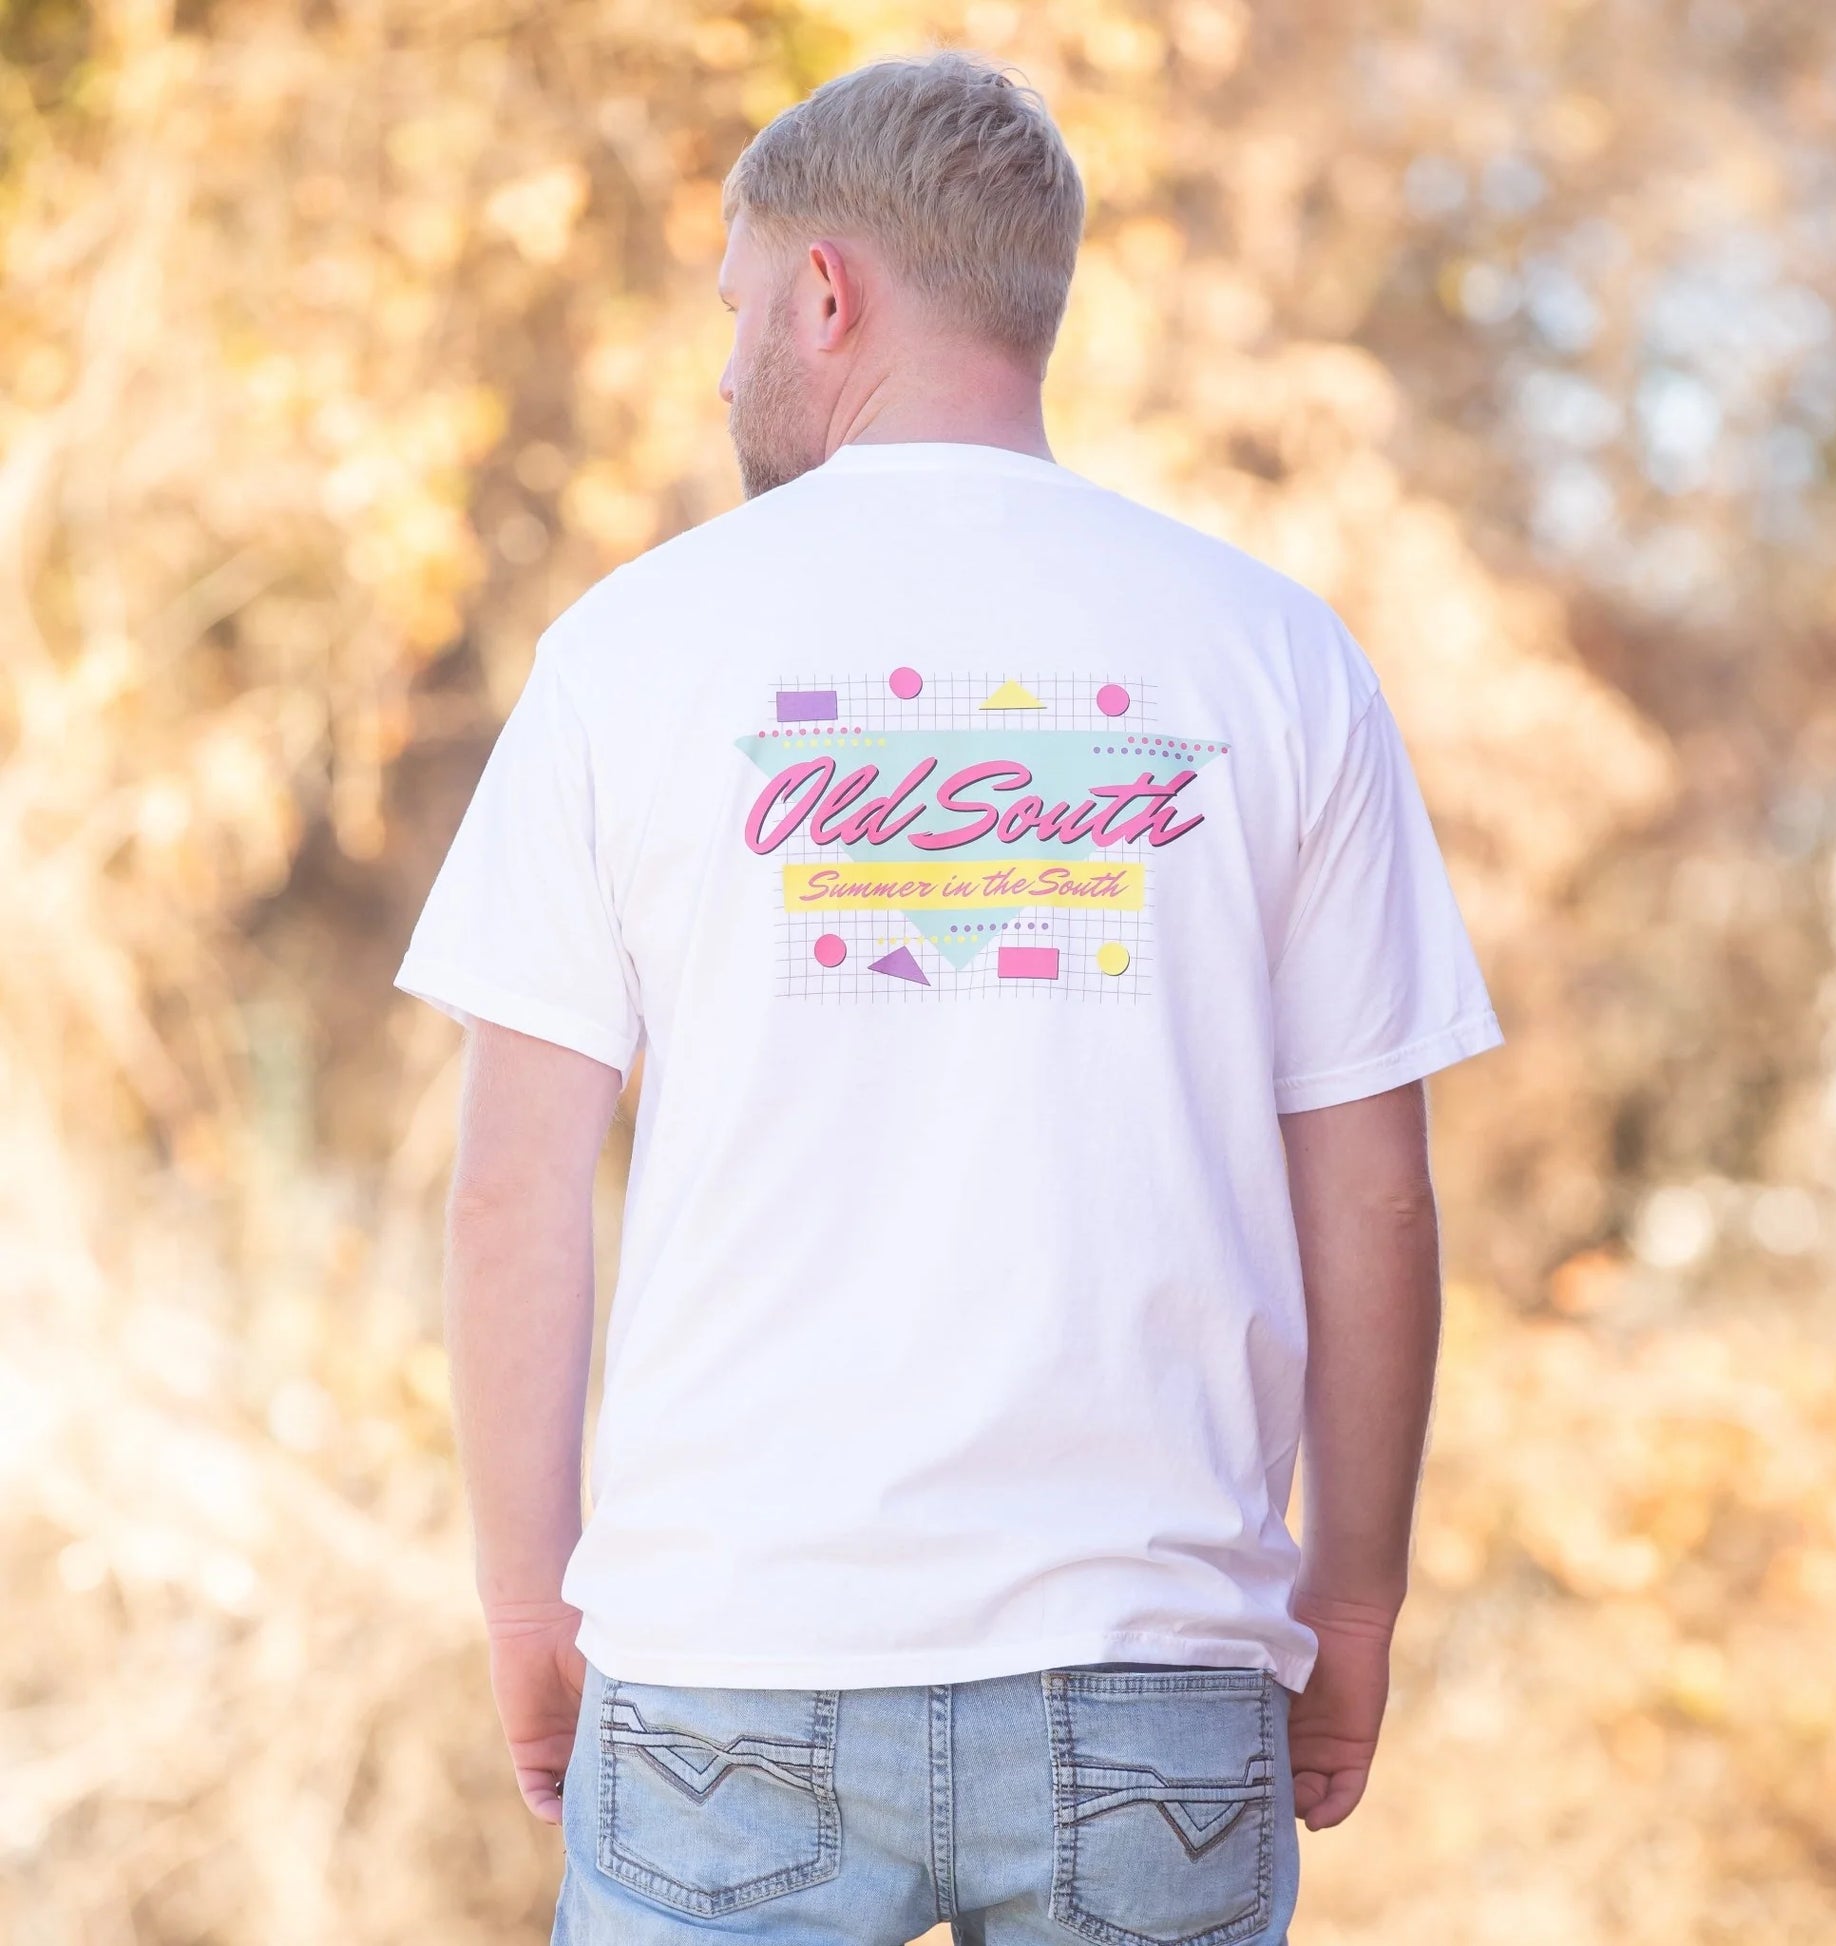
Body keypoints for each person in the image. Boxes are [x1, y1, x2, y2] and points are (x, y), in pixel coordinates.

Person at [395, 46, 1503, 1946]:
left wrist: (525, 1599)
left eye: (736, 305)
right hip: (1153, 1666)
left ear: (824, 293)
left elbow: (512, 1193)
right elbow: (1376, 1196)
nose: (724, 364)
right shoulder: (1271, 654)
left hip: (727, 1661)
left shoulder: (631, 653)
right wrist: (1353, 1598)